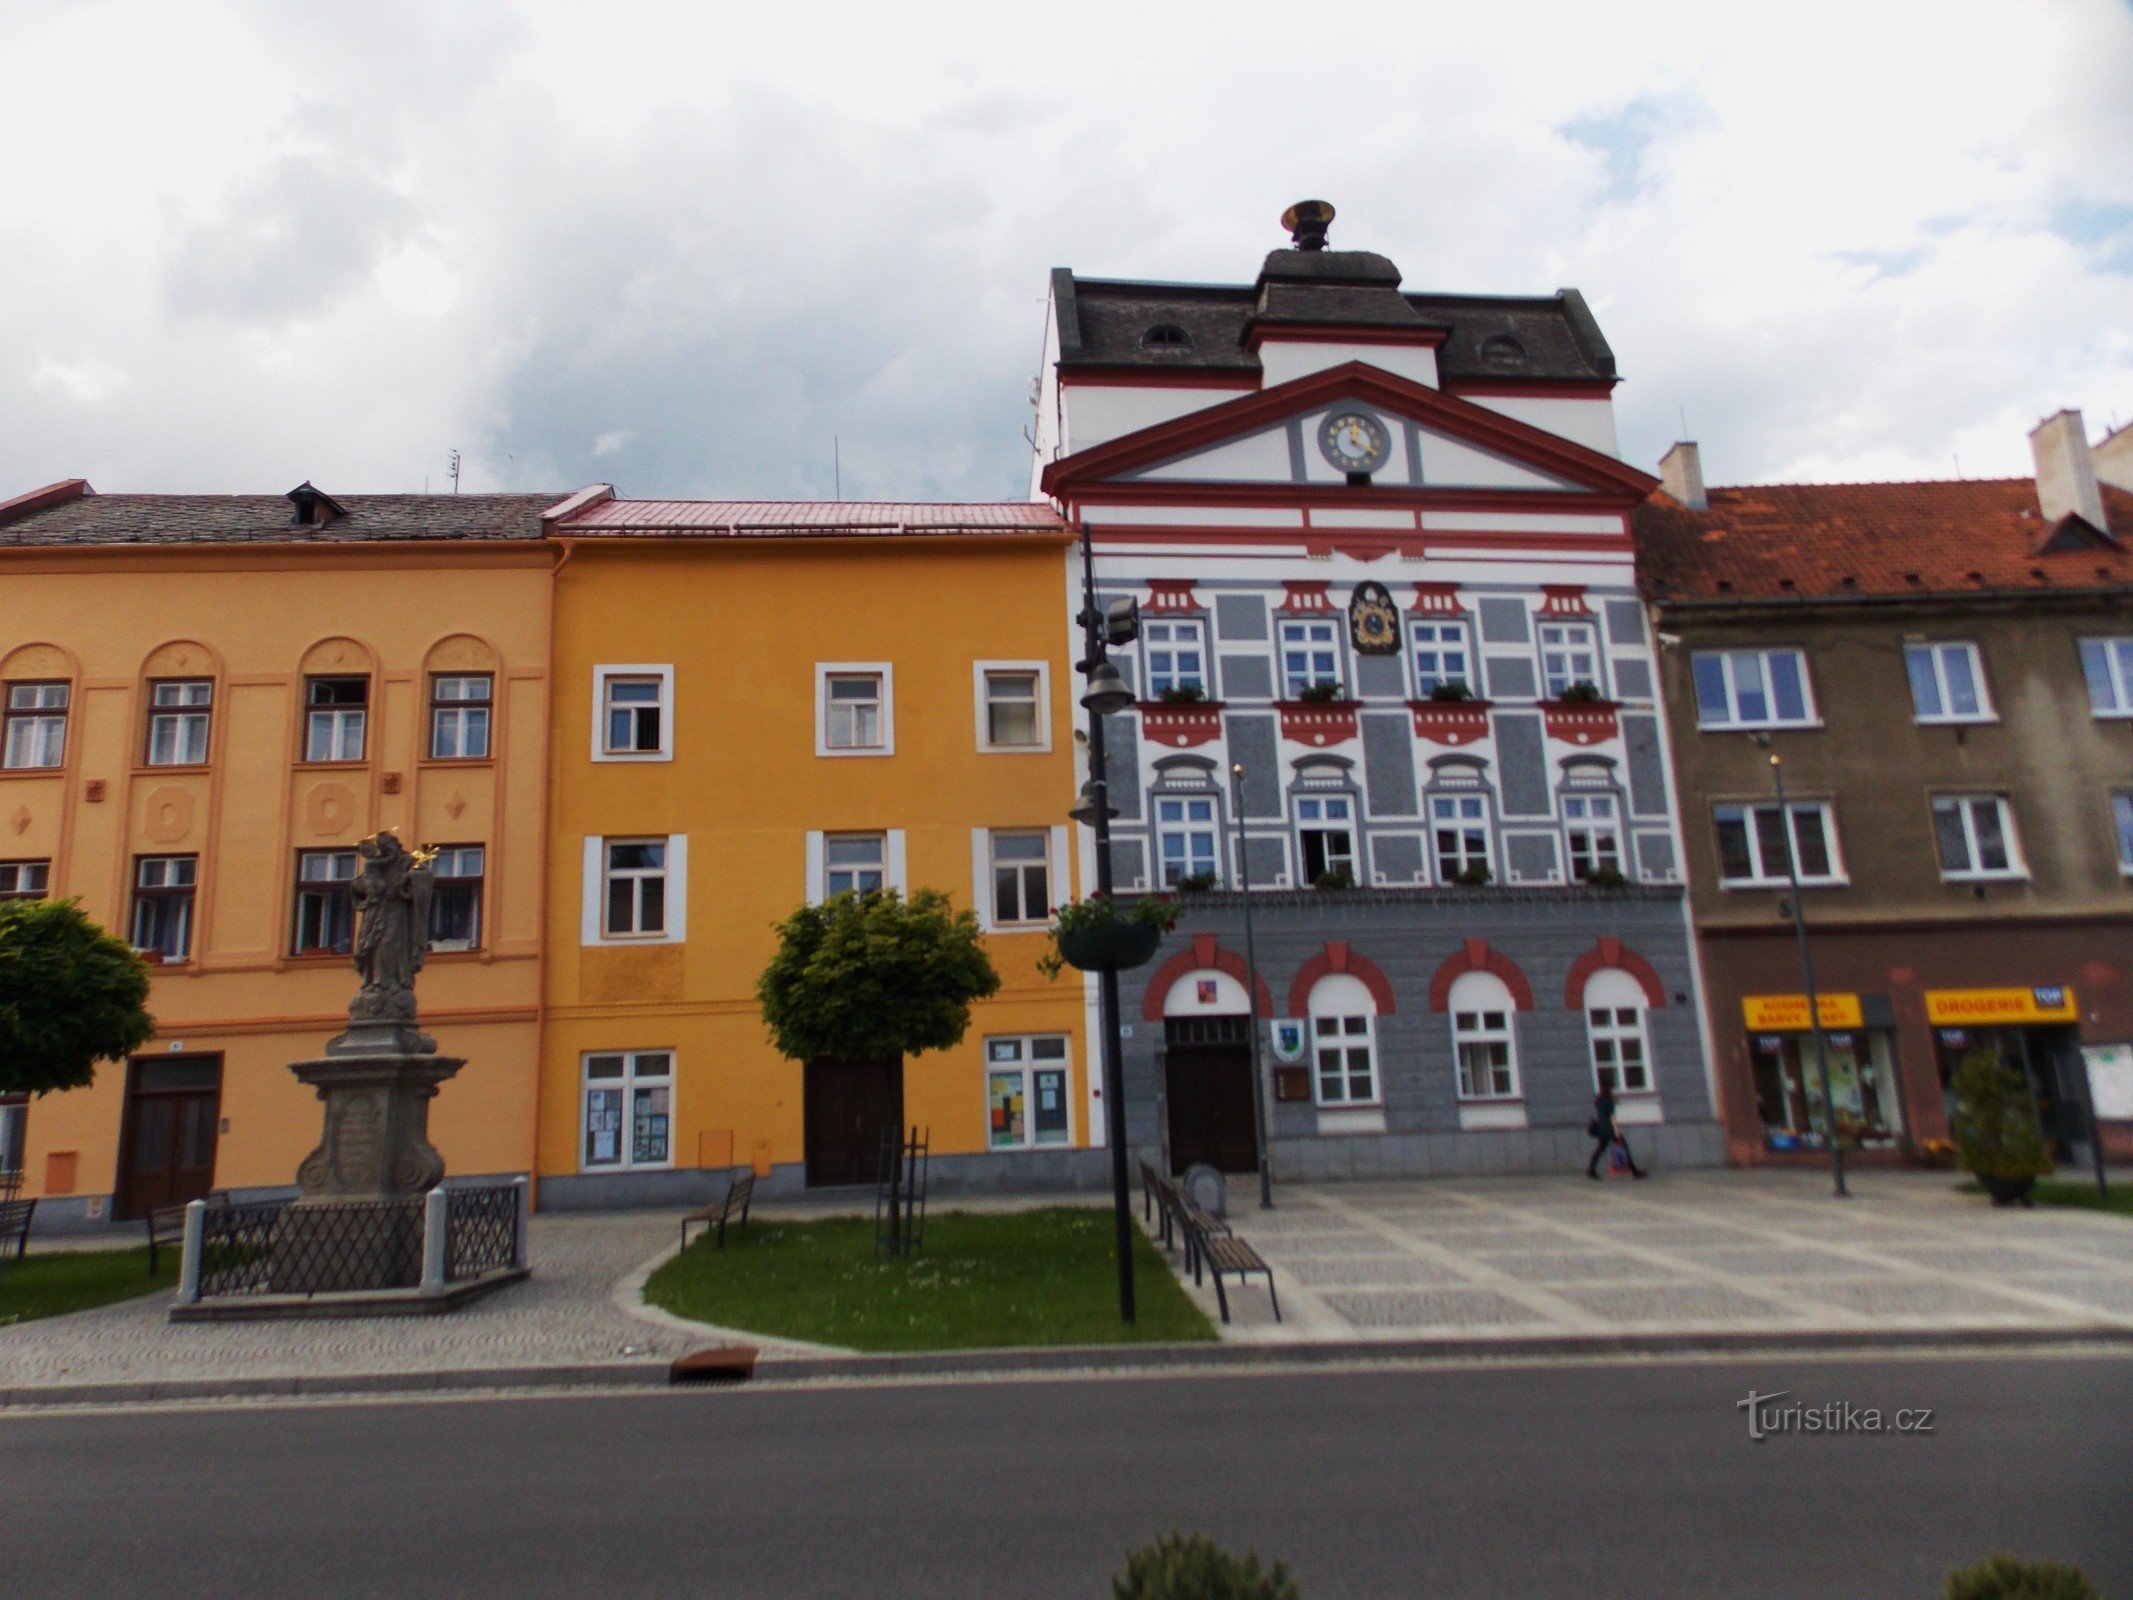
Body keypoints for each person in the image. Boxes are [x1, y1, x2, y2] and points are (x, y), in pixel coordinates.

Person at [1586, 1085, 1647, 1180]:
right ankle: (1635, 1172)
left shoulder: (1598, 1101)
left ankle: (1591, 1170)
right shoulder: (1609, 1102)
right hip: (1610, 1129)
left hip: (1602, 1129)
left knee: (1600, 1149)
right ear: (1608, 1092)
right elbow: (1612, 1117)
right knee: (1624, 1147)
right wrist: (1617, 1132)